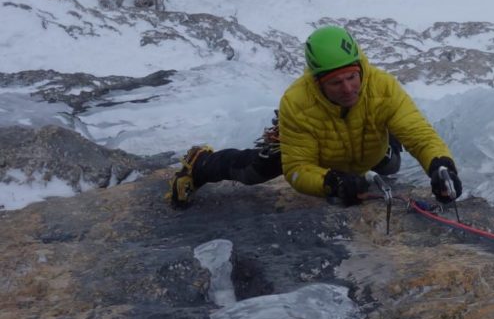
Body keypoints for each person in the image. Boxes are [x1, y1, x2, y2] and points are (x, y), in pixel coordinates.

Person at [168, 25, 463, 208]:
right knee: (252, 173)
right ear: (317, 81)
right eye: (336, 82)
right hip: (317, 153)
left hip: (368, 150)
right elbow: (298, 168)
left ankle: (389, 132)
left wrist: (441, 166)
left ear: (361, 68)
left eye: (352, 77)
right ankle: (202, 164)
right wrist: (331, 183)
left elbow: (420, 134)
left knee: (392, 163)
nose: (348, 88)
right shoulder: (297, 103)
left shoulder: (382, 87)